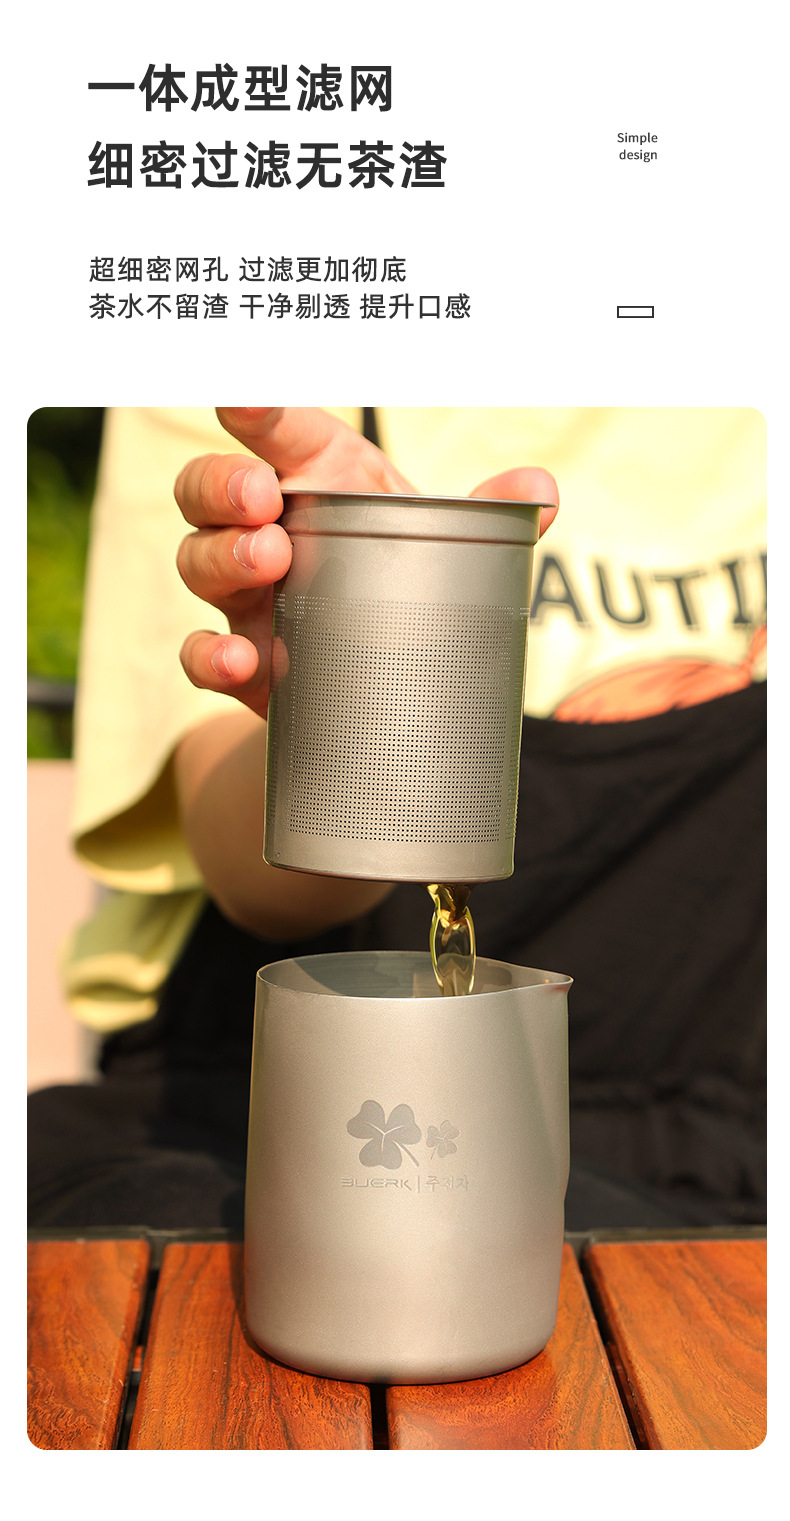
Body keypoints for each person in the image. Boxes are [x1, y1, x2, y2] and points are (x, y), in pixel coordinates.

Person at [28, 406, 766, 1231]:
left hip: (723, 1146)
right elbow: (249, 878)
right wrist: (346, 705)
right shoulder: (263, 380)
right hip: (274, 1114)